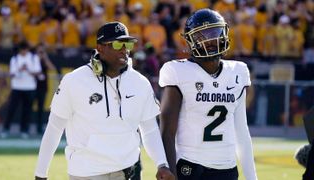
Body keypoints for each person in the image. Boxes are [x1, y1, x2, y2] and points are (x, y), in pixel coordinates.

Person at [35, 21, 174, 180]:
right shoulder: (74, 81)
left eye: (127, 44)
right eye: (117, 44)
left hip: (128, 171)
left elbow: (149, 130)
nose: (124, 50)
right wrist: (41, 174)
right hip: (85, 173)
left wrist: (162, 164)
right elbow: (54, 128)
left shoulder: (141, 83)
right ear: (100, 47)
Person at [159, 9, 258, 180]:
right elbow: (167, 131)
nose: (210, 40)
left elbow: (241, 130)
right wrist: (169, 170)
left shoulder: (238, 71)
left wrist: (251, 177)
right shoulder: (177, 70)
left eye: (214, 33)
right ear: (190, 41)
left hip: (227, 167)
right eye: (202, 36)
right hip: (190, 165)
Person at [0, 41, 41, 139]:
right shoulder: (15, 59)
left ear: (27, 49)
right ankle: (6, 129)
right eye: (22, 50)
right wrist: (20, 69)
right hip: (17, 87)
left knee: (27, 110)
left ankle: (24, 130)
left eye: (25, 49)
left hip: (30, 87)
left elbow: (38, 72)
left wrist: (28, 70)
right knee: (11, 109)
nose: (23, 51)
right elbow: (12, 74)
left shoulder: (33, 58)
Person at [35, 44, 56, 135]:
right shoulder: (33, 59)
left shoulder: (44, 60)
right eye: (39, 51)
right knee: (27, 106)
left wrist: (45, 57)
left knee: (41, 107)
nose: (41, 53)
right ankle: (25, 128)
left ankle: (39, 127)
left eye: (42, 51)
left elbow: (52, 68)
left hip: (42, 86)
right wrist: (37, 58)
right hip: (32, 86)